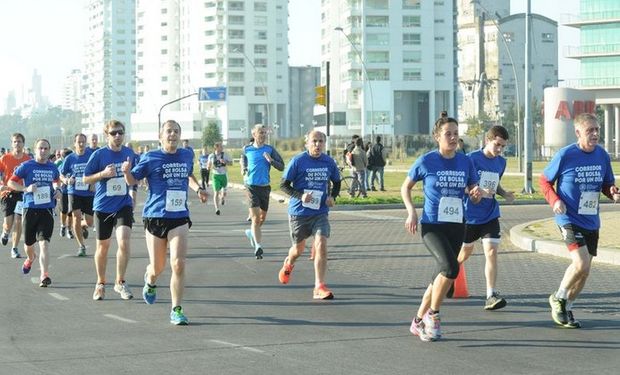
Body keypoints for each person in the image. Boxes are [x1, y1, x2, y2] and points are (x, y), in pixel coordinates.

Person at [401, 116, 481, 342]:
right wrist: (411, 212)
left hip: (456, 225)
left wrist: (475, 194)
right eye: (449, 133)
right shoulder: (426, 161)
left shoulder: (465, 161)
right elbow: (405, 188)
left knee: (438, 277)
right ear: (437, 137)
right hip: (432, 225)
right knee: (450, 268)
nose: (454, 137)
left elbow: (472, 188)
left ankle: (417, 321)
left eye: (456, 133)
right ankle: (433, 316)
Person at [122, 120, 208, 325]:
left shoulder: (187, 154)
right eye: (169, 131)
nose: (173, 135)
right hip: (156, 215)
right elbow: (132, 180)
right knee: (158, 267)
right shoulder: (151, 157)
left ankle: (176, 309)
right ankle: (150, 280)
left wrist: (198, 189)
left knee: (178, 264)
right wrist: (126, 171)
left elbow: (187, 174)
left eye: (176, 131)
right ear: (160, 136)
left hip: (179, 216)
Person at [540, 113, 619, 328]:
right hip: (568, 217)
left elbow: (607, 184)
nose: (595, 134)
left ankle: (567, 306)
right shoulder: (566, 155)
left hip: (591, 219)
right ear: (578, 133)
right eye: (590, 130)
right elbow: (544, 181)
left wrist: (612, 192)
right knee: (580, 262)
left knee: (584, 271)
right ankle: (559, 297)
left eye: (597, 130)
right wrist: (555, 200)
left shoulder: (602, 155)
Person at [278, 130, 341, 299]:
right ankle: (289, 263)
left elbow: (337, 182)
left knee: (321, 243)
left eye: (321, 141)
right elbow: (283, 185)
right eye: (314, 141)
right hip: (299, 213)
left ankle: (319, 286)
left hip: (320, 212)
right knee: (298, 250)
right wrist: (301, 196)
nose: (317, 144)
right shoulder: (298, 161)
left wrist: (332, 196)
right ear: (307, 143)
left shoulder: (329, 162)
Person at [458, 125, 514, 310]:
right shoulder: (471, 159)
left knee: (491, 252)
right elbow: (462, 185)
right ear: (487, 141)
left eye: (503, 146)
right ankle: (449, 272)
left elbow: (495, 184)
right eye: (497, 145)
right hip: (470, 215)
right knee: (465, 254)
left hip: (490, 214)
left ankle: (491, 294)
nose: (499, 150)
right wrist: (475, 191)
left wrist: (504, 193)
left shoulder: (501, 162)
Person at [83, 120, 136, 301]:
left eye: (120, 132)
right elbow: (85, 179)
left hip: (123, 205)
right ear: (107, 135)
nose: (118, 136)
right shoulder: (99, 155)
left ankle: (120, 282)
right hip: (103, 206)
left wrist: (129, 177)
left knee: (124, 241)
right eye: (113, 133)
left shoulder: (129, 153)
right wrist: (103, 174)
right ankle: (100, 283)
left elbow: (133, 179)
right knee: (103, 247)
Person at [8, 139, 61, 287]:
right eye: (40, 148)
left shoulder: (52, 167)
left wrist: (58, 190)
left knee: (44, 244)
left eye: (45, 148)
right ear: (35, 149)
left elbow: (57, 181)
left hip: (47, 209)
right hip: (30, 209)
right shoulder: (26, 166)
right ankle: (30, 259)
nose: (43, 151)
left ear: (49, 150)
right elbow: (11, 182)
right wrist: (26, 189)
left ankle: (44, 275)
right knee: (29, 244)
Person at [240, 124, 284, 259]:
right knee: (255, 217)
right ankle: (258, 246)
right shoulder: (247, 149)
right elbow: (243, 159)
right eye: (261, 133)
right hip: (251, 187)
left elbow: (282, 166)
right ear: (254, 135)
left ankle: (252, 233)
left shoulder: (270, 149)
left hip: (265, 187)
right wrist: (243, 168)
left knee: (261, 219)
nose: (263, 135)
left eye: (265, 133)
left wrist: (271, 161)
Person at [61, 134, 95, 257]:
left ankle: (82, 226)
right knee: (76, 216)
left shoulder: (91, 156)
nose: (81, 144)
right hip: (73, 191)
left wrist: (94, 182)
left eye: (83, 142)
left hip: (88, 192)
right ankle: (81, 246)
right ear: (74, 143)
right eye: (79, 142)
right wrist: (66, 181)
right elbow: (62, 175)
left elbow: (98, 171)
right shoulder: (70, 158)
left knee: (90, 222)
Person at [0, 133, 31, 259]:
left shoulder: (28, 160)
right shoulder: (5, 158)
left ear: (23, 144)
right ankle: (5, 232)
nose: (17, 144)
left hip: (22, 194)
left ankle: (15, 248)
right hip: (8, 193)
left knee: (19, 221)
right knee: (8, 223)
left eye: (19, 141)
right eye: (15, 142)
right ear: (12, 144)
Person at [207, 142, 232, 215]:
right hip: (215, 176)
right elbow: (208, 165)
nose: (222, 148)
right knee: (216, 192)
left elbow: (231, 163)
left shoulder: (225, 155)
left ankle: (222, 198)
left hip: (224, 175)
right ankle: (217, 209)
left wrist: (225, 161)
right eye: (221, 147)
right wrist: (208, 167)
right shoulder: (211, 156)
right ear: (216, 148)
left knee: (223, 193)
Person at [57, 149, 74, 240]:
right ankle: (63, 225)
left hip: (72, 192)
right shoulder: (61, 167)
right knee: (64, 210)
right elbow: (57, 178)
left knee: (70, 211)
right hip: (63, 191)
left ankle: (69, 229)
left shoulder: (73, 166)